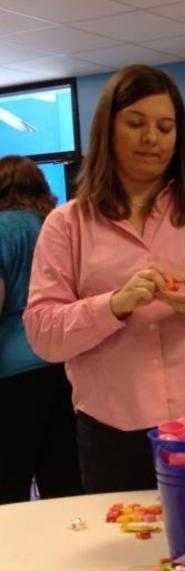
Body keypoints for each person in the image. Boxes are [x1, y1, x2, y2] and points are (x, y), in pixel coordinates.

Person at [24, 65, 185, 494]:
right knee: (127, 558)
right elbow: (43, 334)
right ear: (108, 129)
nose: (152, 138)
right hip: (114, 436)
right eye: (136, 123)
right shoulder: (66, 225)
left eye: (165, 127)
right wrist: (114, 305)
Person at [0, 156, 82, 504]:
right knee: (65, 487)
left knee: (7, 491)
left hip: (13, 373)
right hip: (67, 364)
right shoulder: (60, 226)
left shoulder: (3, 227)